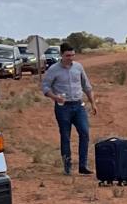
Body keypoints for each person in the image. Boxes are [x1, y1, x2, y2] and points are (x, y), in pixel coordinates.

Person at [41, 45, 96, 175]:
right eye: (67, 56)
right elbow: (45, 87)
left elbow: (86, 86)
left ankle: (83, 166)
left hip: (78, 105)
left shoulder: (78, 67)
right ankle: (67, 166)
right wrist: (55, 97)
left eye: (72, 55)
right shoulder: (53, 69)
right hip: (62, 108)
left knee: (84, 133)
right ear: (61, 55)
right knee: (65, 136)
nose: (70, 58)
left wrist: (93, 103)